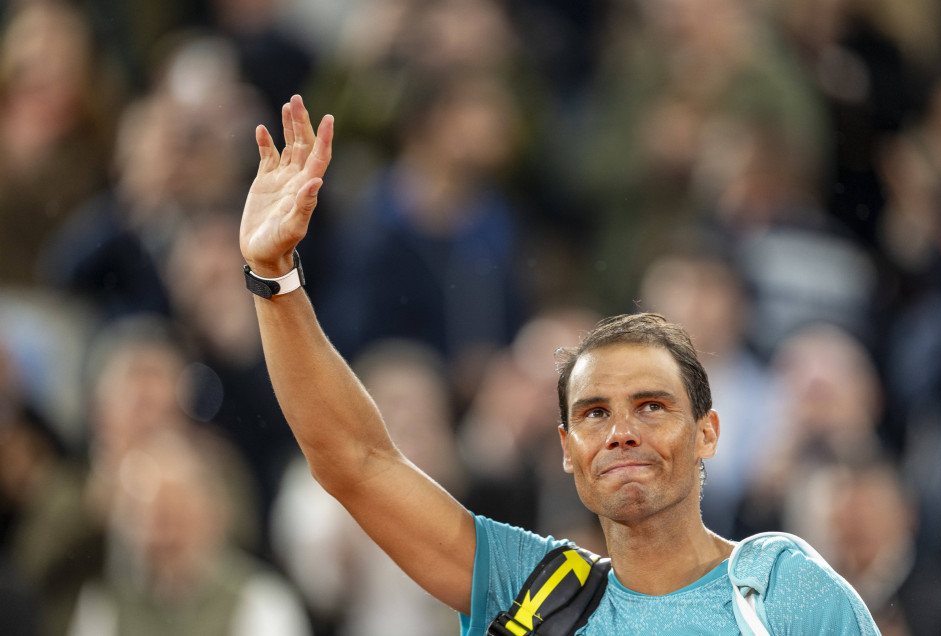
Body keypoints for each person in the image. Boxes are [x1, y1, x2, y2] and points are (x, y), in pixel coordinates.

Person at [238, 95, 881, 634]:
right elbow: (356, 460)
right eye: (594, 413)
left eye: (651, 406)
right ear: (568, 450)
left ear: (707, 431)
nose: (621, 431)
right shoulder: (534, 593)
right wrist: (273, 277)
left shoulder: (779, 589)